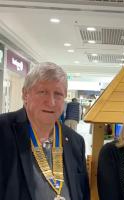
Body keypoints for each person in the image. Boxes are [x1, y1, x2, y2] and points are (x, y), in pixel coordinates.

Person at [0, 62, 90, 200]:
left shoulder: (75, 141)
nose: (51, 102)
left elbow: (83, 193)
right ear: (25, 95)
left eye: (58, 94)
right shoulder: (3, 130)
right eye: (43, 92)